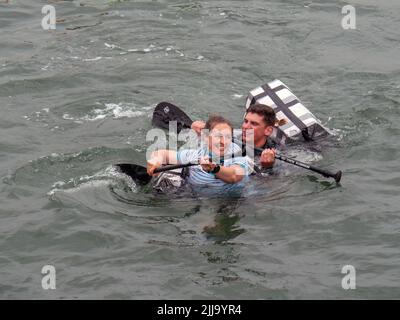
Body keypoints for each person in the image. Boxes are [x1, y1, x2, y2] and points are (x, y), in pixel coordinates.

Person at [147, 115, 252, 193]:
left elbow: (234, 176)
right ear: (206, 137)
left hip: (232, 201)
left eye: (228, 137)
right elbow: (161, 154)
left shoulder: (238, 155)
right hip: (196, 196)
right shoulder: (196, 154)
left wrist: (214, 168)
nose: (223, 142)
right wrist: (154, 162)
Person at [191, 103, 285, 168]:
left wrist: (267, 168)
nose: (245, 126)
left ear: (268, 131)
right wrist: (197, 130)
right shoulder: (233, 135)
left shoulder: (277, 152)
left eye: (254, 124)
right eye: (245, 121)